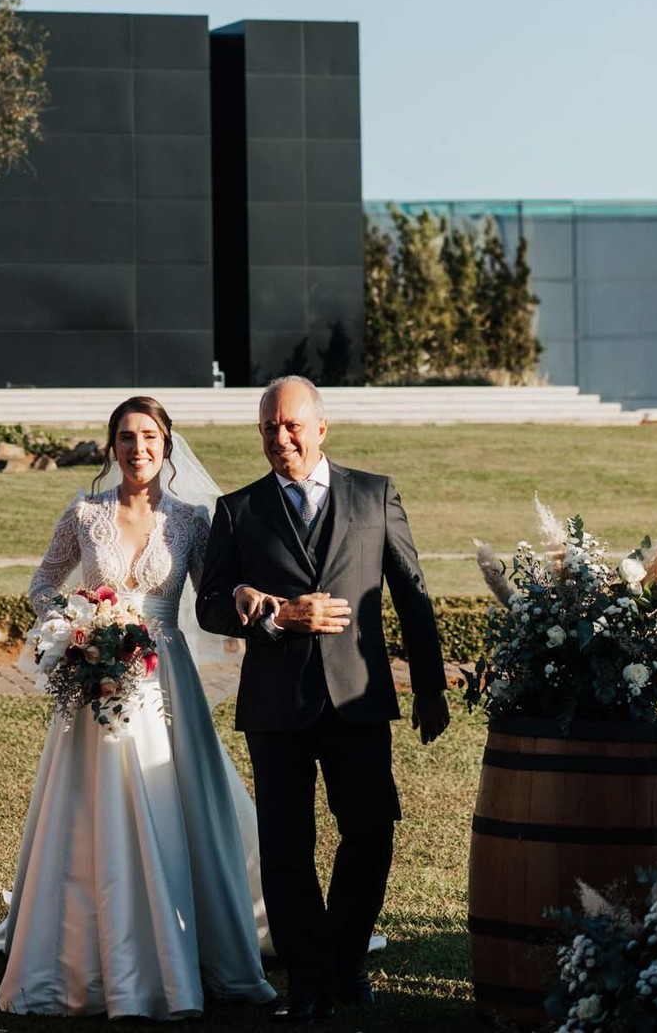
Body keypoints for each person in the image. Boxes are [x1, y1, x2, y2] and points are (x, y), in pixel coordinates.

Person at [0, 395, 275, 1019]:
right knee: (93, 806)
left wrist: (246, 594)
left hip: (165, 681)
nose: (138, 449)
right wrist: (76, 625)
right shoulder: (85, 513)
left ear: (167, 444)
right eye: (127, 437)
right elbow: (43, 583)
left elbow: (212, 593)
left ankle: (185, 943)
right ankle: (92, 952)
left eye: (149, 436)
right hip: (95, 679)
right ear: (112, 446)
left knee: (174, 801)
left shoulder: (191, 521)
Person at [196, 374, 448, 1023]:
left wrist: (429, 686)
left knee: (371, 832)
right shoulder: (238, 510)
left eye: (291, 425)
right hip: (276, 705)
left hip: (358, 698)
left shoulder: (374, 495)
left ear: (321, 428)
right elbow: (210, 605)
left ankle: (346, 959)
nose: (280, 438)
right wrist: (276, 615)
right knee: (286, 848)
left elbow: (412, 593)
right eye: (268, 428)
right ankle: (309, 981)